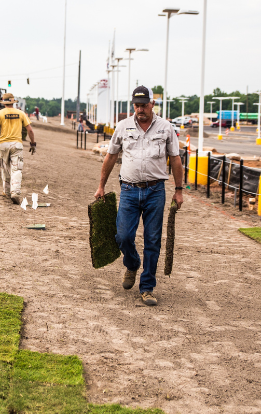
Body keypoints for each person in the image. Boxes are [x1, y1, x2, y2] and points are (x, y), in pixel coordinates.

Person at [93, 86, 184, 306]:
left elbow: (175, 159)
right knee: (123, 236)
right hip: (129, 191)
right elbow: (111, 156)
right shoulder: (123, 127)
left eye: (144, 105)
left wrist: (179, 190)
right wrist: (101, 186)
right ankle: (132, 264)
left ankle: (147, 288)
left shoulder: (166, 128)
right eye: (137, 105)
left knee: (152, 240)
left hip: (155, 191)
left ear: (152, 104)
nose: (140, 109)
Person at [0, 93, 36, 204]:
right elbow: (30, 130)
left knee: (5, 168)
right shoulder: (21, 113)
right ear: (13, 102)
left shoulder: (0, 114)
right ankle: (15, 192)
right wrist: (33, 143)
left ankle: (6, 192)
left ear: (4, 103)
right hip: (17, 145)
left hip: (3, 144)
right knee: (16, 169)